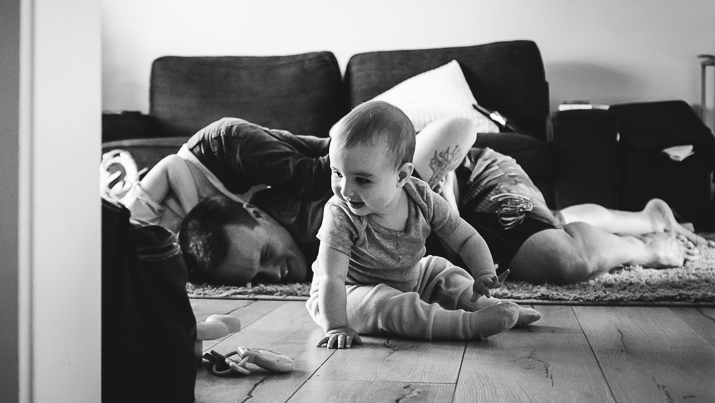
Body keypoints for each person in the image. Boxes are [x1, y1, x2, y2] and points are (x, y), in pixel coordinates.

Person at [173, 118, 712, 286]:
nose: (278, 277)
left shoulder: (318, 180)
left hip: (473, 178)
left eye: (267, 256)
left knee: (554, 259)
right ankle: (644, 215)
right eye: (257, 281)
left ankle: (650, 249)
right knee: (548, 226)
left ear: (255, 213)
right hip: (444, 218)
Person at [309, 101, 541, 347]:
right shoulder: (340, 213)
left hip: (409, 278)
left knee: (441, 270)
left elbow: (465, 238)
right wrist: (336, 325)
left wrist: (484, 273)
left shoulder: (422, 198)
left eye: (362, 180)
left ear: (401, 176)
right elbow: (331, 277)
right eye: (338, 173)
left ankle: (492, 307)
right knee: (386, 304)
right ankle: (466, 325)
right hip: (346, 295)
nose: (345, 190)